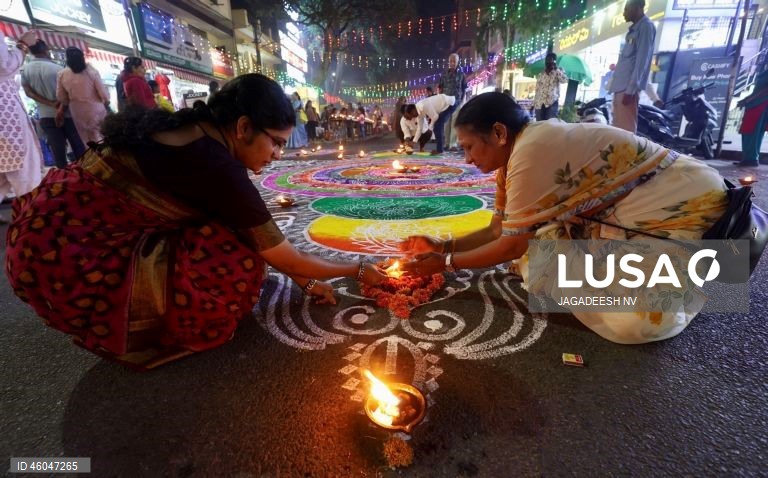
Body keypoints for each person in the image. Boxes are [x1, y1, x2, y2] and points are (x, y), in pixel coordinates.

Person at [5, 73, 386, 370]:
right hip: (66, 263)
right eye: (275, 141)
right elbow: (281, 254)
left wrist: (308, 281)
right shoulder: (217, 167)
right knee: (237, 258)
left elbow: (272, 247)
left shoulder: (191, 131)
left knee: (233, 231)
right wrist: (359, 268)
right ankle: (160, 334)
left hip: (38, 242)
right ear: (242, 127)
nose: (277, 155)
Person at [399, 92, 729, 345]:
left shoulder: (533, 149)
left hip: (684, 207)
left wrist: (445, 263)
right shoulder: (512, 156)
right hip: (619, 217)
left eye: (470, 147)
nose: (468, 159)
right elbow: (498, 228)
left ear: (499, 132)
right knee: (542, 251)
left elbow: (510, 246)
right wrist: (443, 247)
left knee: (636, 323)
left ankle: (693, 283)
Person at [0, 29, 44, 225]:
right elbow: (4, 66)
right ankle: (34, 223)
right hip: (5, 117)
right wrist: (22, 45)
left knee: (4, 173)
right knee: (25, 172)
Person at [21, 40, 86, 168]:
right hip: (67, 114)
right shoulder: (58, 69)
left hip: (45, 116)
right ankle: (86, 174)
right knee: (78, 148)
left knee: (58, 151)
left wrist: (49, 104)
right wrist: (59, 106)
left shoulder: (25, 70)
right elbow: (68, 93)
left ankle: (64, 179)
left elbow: (28, 92)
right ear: (46, 50)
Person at [609, 0, 656, 133]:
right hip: (620, 87)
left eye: (626, 9)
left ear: (638, 8)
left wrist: (630, 91)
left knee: (625, 132)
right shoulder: (635, 29)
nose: (624, 13)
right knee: (618, 130)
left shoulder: (646, 27)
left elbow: (642, 62)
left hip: (627, 89)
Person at [56, 47, 111, 146]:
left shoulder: (62, 74)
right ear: (83, 57)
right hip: (96, 109)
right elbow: (104, 94)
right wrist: (106, 102)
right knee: (103, 136)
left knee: (87, 141)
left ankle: (95, 160)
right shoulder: (92, 71)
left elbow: (61, 97)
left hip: (77, 111)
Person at [735, 68, 768, 167]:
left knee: (752, 131)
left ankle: (751, 159)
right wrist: (747, 99)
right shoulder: (765, 71)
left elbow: (765, 90)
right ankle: (748, 158)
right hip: (756, 103)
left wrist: (747, 100)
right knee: (750, 131)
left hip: (760, 104)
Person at [437, 53, 467, 154]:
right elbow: (440, 87)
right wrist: (440, 99)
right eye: (451, 61)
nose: (452, 63)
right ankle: (446, 143)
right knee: (446, 123)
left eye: (454, 61)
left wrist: (462, 101)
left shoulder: (461, 74)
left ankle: (452, 144)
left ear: (458, 62)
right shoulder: (444, 74)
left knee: (454, 123)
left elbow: (464, 89)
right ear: (449, 62)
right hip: (445, 102)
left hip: (457, 102)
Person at [533, 52, 568, 121]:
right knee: (539, 125)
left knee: (550, 125)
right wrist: (534, 103)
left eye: (551, 60)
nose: (549, 62)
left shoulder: (558, 71)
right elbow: (537, 89)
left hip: (552, 103)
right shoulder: (541, 74)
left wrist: (556, 69)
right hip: (539, 104)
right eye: (547, 60)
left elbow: (565, 80)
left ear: (554, 61)